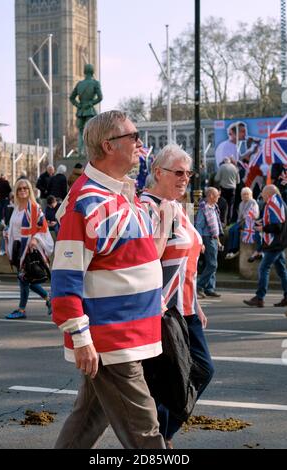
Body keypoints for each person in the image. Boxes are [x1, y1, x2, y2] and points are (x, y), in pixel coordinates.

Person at [51, 110, 165, 449]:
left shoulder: (117, 194)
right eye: (134, 136)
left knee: (88, 419)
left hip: (124, 334)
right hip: (113, 338)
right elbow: (66, 278)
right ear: (109, 145)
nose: (140, 143)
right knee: (145, 431)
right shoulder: (86, 201)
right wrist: (80, 336)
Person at [140, 144, 214, 449]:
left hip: (186, 309)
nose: (185, 178)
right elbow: (146, 259)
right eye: (178, 172)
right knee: (168, 380)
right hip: (163, 311)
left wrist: (196, 303)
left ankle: (160, 433)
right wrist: (167, 217)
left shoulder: (179, 206)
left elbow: (187, 262)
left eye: (188, 172)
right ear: (158, 172)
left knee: (201, 371)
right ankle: (155, 438)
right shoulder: (148, 206)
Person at [5, 179, 54, 319]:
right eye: (20, 188)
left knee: (24, 278)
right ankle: (48, 299)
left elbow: (43, 225)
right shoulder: (16, 208)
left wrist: (35, 239)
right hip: (18, 248)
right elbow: (14, 228)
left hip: (29, 248)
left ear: (29, 190)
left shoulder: (33, 207)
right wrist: (7, 233)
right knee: (25, 279)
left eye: (25, 188)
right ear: (16, 191)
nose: (22, 190)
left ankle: (22, 310)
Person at [243, 185, 287, 308]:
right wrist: (262, 223)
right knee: (281, 271)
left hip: (275, 243)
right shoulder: (278, 202)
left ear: (269, 193)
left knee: (263, 268)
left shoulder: (274, 203)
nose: (262, 196)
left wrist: (263, 228)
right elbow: (277, 222)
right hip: (279, 242)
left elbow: (277, 226)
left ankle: (260, 297)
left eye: (263, 193)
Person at [195, 187, 224, 298]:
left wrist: (219, 240)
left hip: (214, 237)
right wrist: (201, 242)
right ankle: (199, 286)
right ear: (211, 195)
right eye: (217, 195)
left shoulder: (214, 207)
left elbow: (216, 225)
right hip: (207, 238)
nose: (218, 197)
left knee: (213, 264)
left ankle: (210, 288)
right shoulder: (204, 207)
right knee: (212, 264)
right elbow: (199, 225)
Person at [70, 64, 103, 156]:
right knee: (89, 132)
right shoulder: (95, 83)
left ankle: (80, 152)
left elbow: (72, 98)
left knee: (81, 132)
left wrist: (78, 105)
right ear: (93, 72)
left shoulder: (79, 84)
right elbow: (100, 97)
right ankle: (87, 152)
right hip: (89, 110)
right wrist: (91, 103)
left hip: (80, 111)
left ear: (84, 72)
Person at [225, 187, 260, 259]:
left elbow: (255, 215)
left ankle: (235, 249)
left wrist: (245, 218)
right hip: (241, 221)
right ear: (241, 196)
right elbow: (240, 216)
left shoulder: (253, 202)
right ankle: (230, 250)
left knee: (236, 229)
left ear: (250, 195)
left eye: (247, 194)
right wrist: (238, 222)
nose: (245, 196)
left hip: (250, 222)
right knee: (231, 229)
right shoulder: (241, 203)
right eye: (244, 194)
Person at [215, 157, 240, 224]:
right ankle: (229, 220)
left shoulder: (222, 167)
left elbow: (216, 178)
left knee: (223, 204)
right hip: (232, 189)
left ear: (224, 161)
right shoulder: (235, 168)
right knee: (230, 205)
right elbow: (238, 181)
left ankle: (223, 220)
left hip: (223, 189)